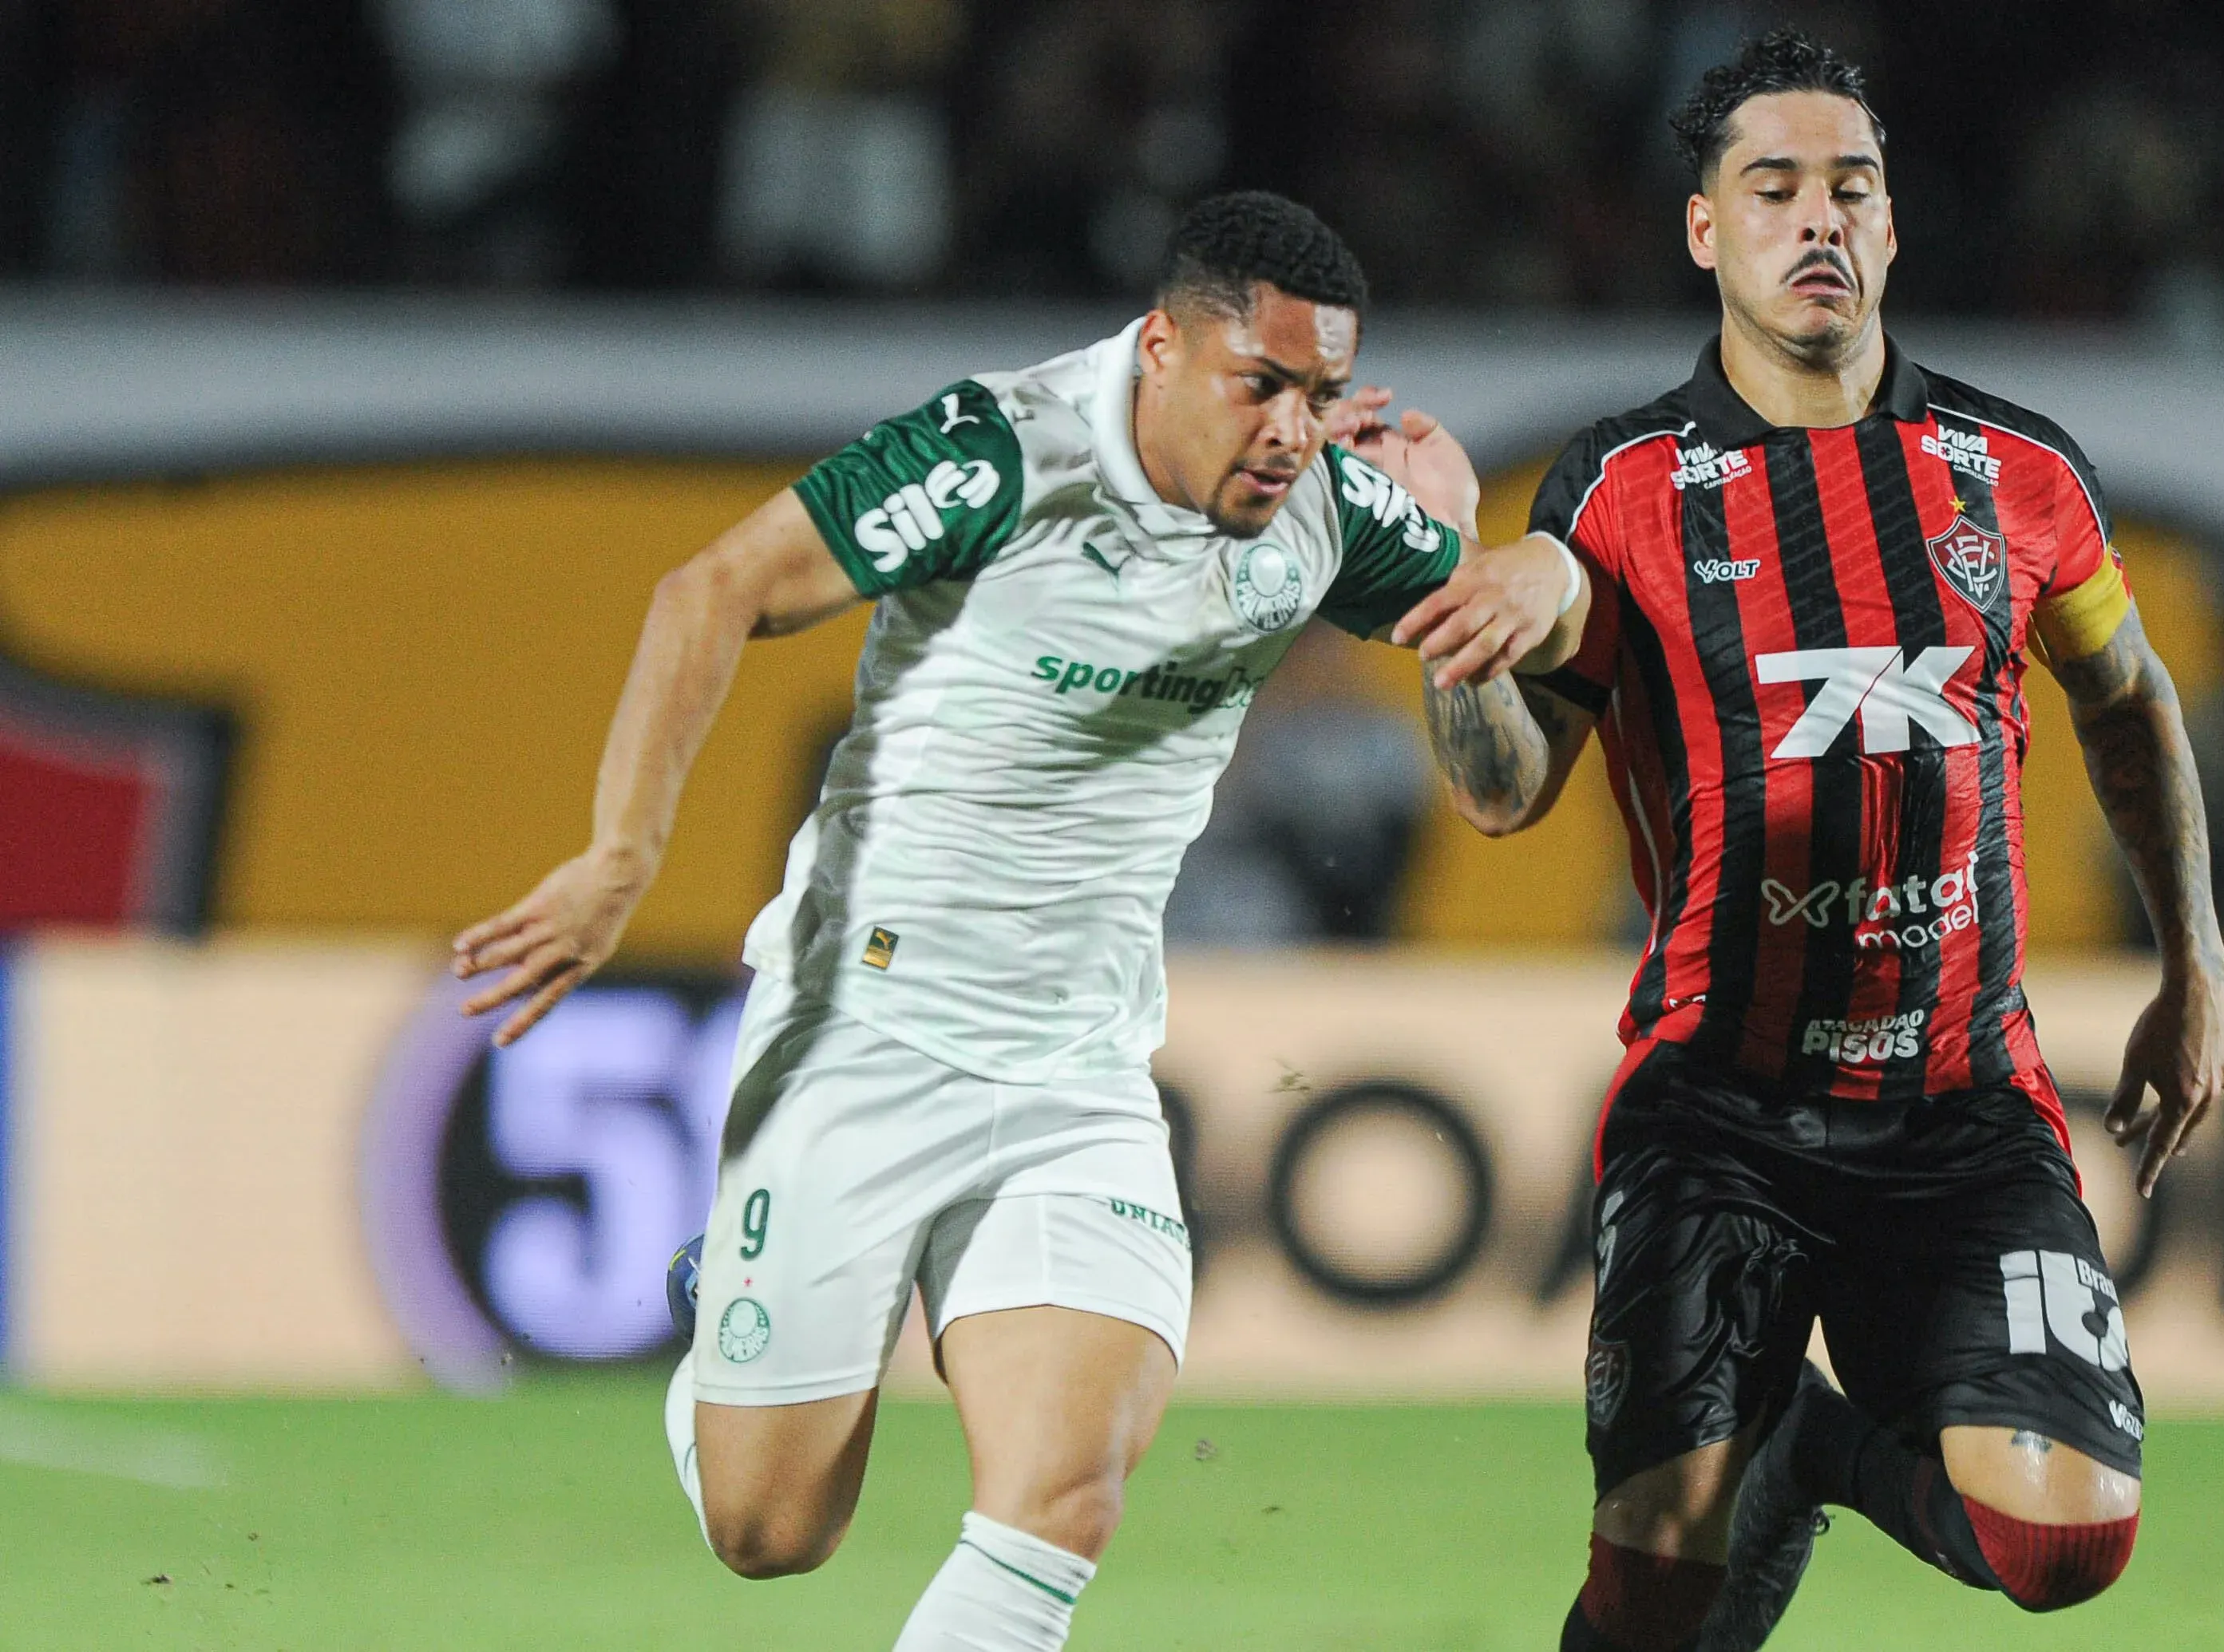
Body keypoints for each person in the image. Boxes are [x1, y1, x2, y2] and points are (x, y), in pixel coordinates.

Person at [449, 190, 1585, 1651]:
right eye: (1263, 387)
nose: (1296, 432)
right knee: (771, 1533)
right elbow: (712, 588)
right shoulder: (1002, 451)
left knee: (1064, 1493)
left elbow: (1501, 789)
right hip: (864, 1027)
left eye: (1319, 394)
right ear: (1163, 351)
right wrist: (618, 859)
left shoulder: (1329, 512)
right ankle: (723, 1284)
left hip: (1078, 1074)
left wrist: (1474, 584)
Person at [1415, 33, 2224, 1651]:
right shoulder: (1622, 490)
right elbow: (1506, 792)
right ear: (1701, 231)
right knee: (1650, 1594)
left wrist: (2193, 964)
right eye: (1772, 187)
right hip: (1717, 1116)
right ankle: (1763, 1458)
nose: (1817, 220)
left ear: (1891, 224)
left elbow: (2130, 702)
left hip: (1962, 1118)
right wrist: (1450, 631)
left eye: (1848, 189)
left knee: (2064, 1546)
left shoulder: (2018, 475)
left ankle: (1802, 1446)